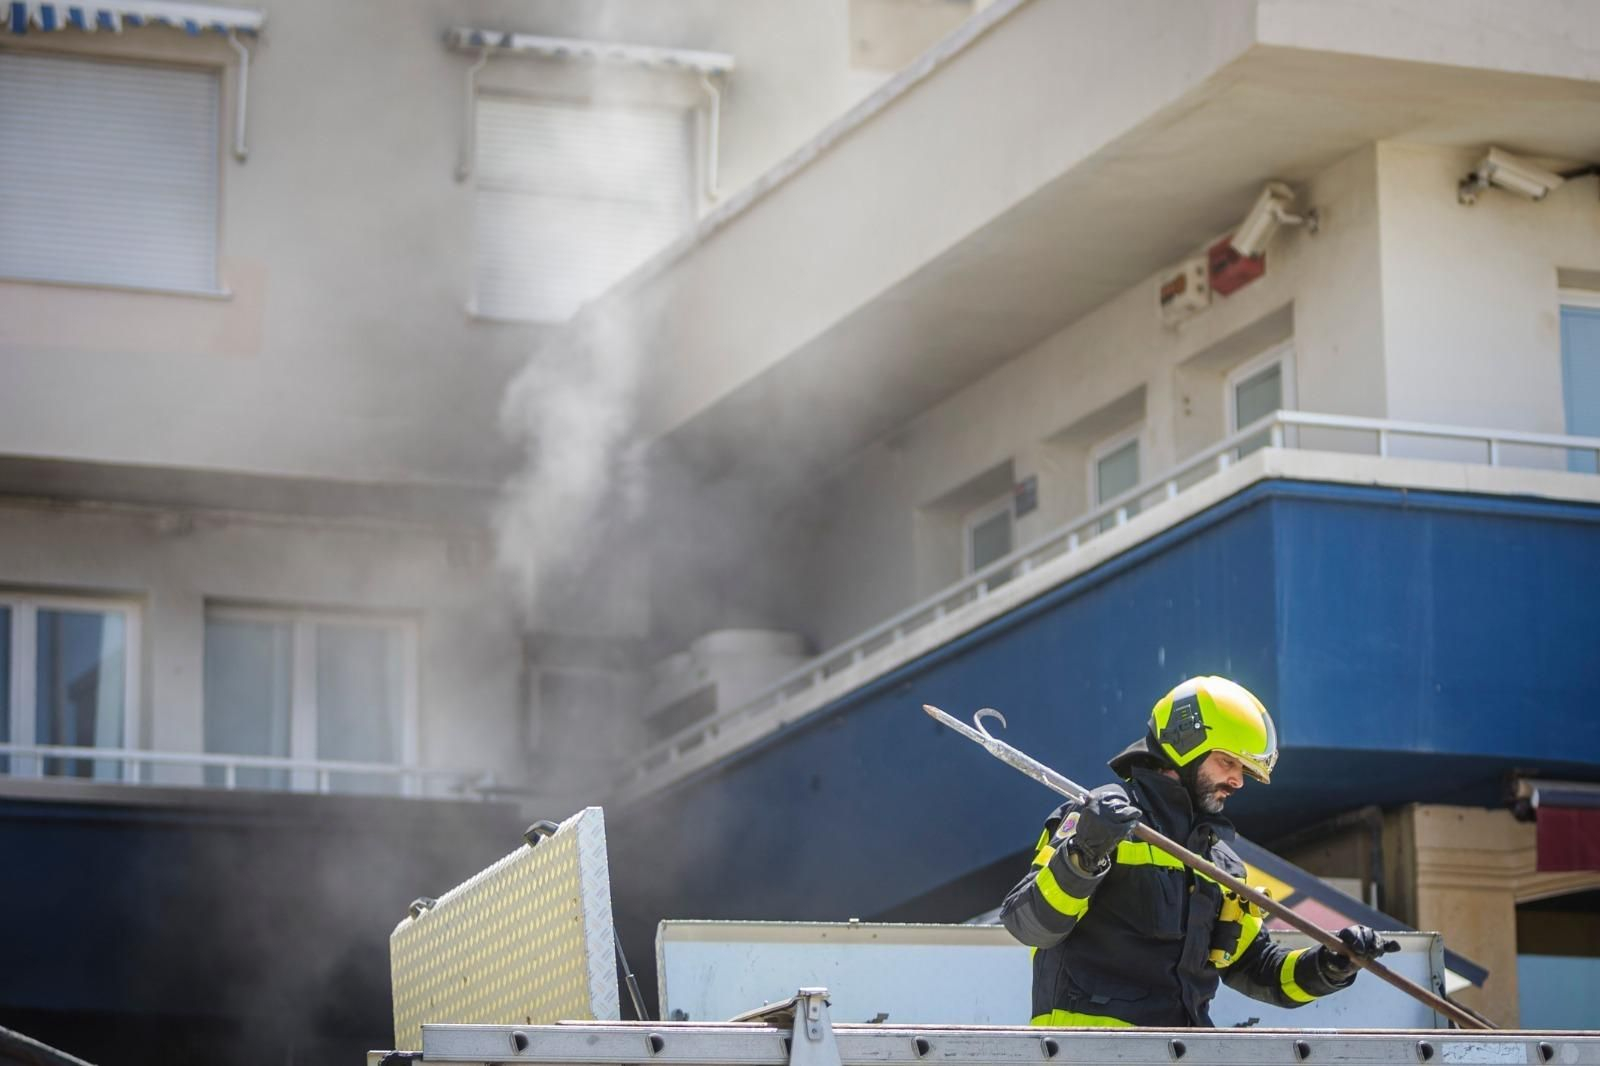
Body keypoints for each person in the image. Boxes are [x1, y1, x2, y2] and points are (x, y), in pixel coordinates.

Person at [1000, 675, 1398, 1027]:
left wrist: (1331, 964)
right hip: (1090, 1054)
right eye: (1228, 762)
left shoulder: (1217, 857)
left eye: (1244, 770)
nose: (1238, 781)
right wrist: (1083, 855)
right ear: (1184, 746)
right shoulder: (1098, 819)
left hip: (1184, 1054)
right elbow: (1030, 925)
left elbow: (1257, 969)